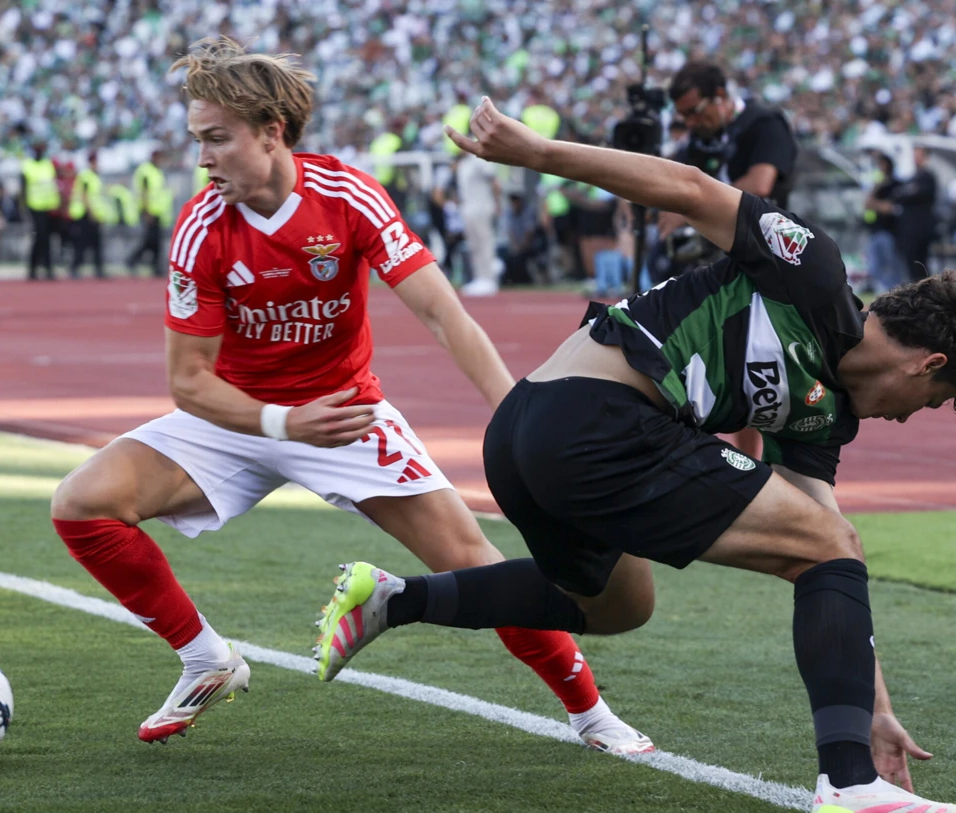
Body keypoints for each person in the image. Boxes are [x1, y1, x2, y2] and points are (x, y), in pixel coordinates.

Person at [314, 98, 956, 813]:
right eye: (932, 401)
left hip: (528, 434)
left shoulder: (824, 417)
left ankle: (395, 599)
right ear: (928, 364)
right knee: (824, 547)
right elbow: (690, 188)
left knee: (618, 604)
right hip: (595, 419)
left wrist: (873, 707)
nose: (911, 415)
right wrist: (540, 154)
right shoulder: (815, 273)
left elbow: (838, 550)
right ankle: (847, 783)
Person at [50, 38, 650, 755]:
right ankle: (206, 658)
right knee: (81, 502)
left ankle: (591, 713)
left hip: (345, 415)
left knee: (472, 559)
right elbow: (188, 382)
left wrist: (519, 409)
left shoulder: (345, 196)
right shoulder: (201, 228)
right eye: (197, 140)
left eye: (216, 138)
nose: (202, 158)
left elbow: (443, 314)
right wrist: (282, 421)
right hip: (238, 417)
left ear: (271, 132)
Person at [664, 61, 800, 460]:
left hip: (769, 260)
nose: (692, 123)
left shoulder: (764, 123)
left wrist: (690, 203)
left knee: (766, 365)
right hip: (718, 263)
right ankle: (746, 463)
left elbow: (760, 184)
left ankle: (775, 463)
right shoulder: (700, 139)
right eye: (684, 117)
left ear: (721, 96)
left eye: (695, 111)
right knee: (724, 362)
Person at [455, 150, 501, 297]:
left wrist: (497, 203)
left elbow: (494, 182)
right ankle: (479, 277)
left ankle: (489, 278)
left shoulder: (479, 161)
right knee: (474, 246)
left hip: (482, 208)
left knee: (485, 243)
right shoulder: (463, 164)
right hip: (468, 209)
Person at [890, 145, 938, 283]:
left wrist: (903, 194)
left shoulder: (927, 177)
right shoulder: (912, 178)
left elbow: (910, 194)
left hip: (920, 231)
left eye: (919, 155)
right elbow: (898, 194)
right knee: (911, 266)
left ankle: (924, 292)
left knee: (920, 266)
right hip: (908, 231)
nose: (916, 158)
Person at [862, 152, 905, 295]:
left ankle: (896, 293)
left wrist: (875, 204)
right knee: (874, 267)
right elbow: (867, 203)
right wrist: (876, 187)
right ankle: (889, 292)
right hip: (874, 231)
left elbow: (889, 208)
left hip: (889, 232)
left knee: (892, 265)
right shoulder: (878, 185)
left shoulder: (896, 185)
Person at [128, 147, 173, 277]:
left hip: (157, 211)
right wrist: (146, 211)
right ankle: (133, 260)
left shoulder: (156, 171)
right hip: (149, 211)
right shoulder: (146, 171)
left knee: (156, 240)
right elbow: (144, 192)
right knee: (149, 240)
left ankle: (155, 265)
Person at [21, 141, 61, 281]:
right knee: (38, 237)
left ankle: (47, 268)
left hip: (49, 207)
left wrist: (56, 203)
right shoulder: (27, 165)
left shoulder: (48, 165)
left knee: (47, 239)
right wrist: (24, 208)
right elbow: (23, 188)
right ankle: (33, 268)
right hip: (35, 207)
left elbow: (53, 185)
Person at [68, 151, 107, 280]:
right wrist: (91, 212)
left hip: (92, 214)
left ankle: (98, 268)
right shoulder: (86, 176)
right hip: (85, 214)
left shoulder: (94, 177)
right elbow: (84, 195)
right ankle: (75, 268)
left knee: (96, 243)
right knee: (82, 243)